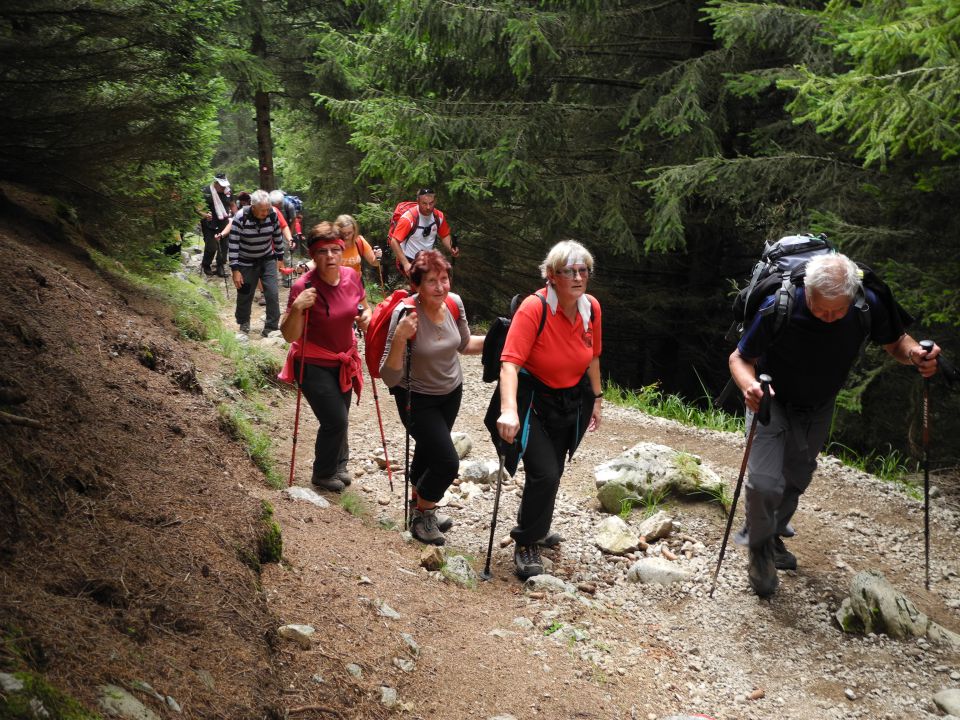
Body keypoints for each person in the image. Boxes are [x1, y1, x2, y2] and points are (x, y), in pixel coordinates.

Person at [729, 252, 940, 598]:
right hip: (770, 399)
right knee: (765, 482)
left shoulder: (866, 304)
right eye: (820, 309)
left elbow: (897, 342)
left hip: (819, 404)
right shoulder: (779, 304)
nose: (829, 318)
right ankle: (760, 548)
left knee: (797, 477)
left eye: (837, 311)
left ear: (851, 296)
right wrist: (749, 386)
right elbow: (740, 357)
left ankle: (773, 531)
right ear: (807, 293)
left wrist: (916, 355)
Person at [489, 240, 603, 579]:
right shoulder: (533, 308)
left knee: (553, 468)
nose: (579, 277)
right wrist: (508, 411)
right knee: (545, 472)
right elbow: (509, 364)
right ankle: (526, 543)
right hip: (530, 401)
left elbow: (593, 355)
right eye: (570, 271)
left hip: (568, 400)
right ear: (552, 275)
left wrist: (597, 397)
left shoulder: (591, 309)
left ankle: (534, 524)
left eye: (584, 270)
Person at [379, 250, 484, 545]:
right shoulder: (405, 314)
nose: (441, 287)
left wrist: (505, 338)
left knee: (427, 452)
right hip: (416, 396)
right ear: (417, 285)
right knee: (447, 462)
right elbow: (388, 376)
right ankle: (425, 512)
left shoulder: (454, 303)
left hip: (451, 392)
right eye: (432, 281)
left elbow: (464, 344)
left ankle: (419, 505)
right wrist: (400, 337)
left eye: (444, 278)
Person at [279, 222, 371, 492]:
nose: (329, 256)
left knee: (342, 413)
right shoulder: (303, 287)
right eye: (322, 252)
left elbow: (364, 306)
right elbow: (289, 335)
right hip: (312, 362)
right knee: (335, 420)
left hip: (343, 359)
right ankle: (322, 473)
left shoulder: (351, 277)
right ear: (313, 255)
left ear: (342, 251)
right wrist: (297, 308)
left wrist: (366, 316)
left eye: (334, 250)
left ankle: (340, 464)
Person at [228, 189, 283, 336]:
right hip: (245, 261)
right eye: (262, 210)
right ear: (253, 207)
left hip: (267, 259)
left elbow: (277, 236)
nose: (265, 213)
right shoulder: (240, 217)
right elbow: (233, 244)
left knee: (272, 292)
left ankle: (271, 327)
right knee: (245, 293)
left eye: (267, 209)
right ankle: (243, 323)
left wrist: (280, 258)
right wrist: (235, 270)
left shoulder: (272, 215)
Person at [388, 188, 458, 276]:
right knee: (421, 287)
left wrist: (451, 248)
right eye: (424, 203)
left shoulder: (438, 216)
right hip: (408, 259)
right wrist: (406, 264)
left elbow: (444, 235)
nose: (428, 207)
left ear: (435, 201)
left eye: (431, 203)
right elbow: (394, 241)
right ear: (418, 201)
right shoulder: (408, 218)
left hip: (426, 260)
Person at [198, 172, 236, 277]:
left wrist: (237, 216)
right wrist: (205, 214)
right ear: (216, 183)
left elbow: (232, 204)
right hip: (209, 222)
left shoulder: (228, 191)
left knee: (224, 246)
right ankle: (206, 264)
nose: (224, 188)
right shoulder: (206, 191)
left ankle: (220, 267)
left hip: (224, 221)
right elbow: (198, 207)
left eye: (225, 185)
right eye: (221, 186)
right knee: (211, 246)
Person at [335, 214, 383, 281]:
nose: (346, 237)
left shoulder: (359, 242)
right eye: (343, 233)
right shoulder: (333, 244)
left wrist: (377, 257)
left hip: (357, 283)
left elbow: (374, 263)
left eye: (349, 233)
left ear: (354, 231)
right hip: (338, 284)